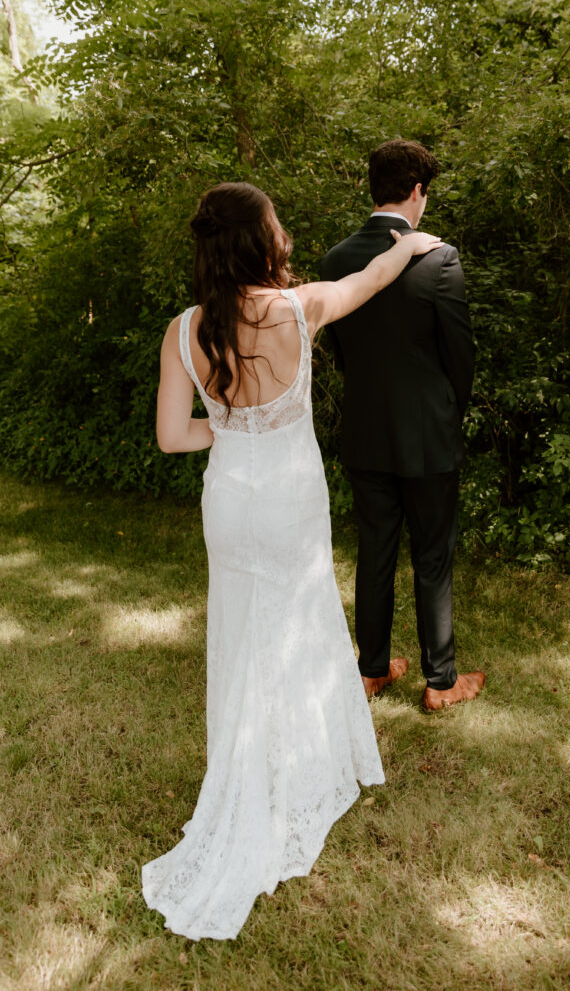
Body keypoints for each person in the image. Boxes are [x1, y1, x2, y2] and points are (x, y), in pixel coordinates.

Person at [142, 180, 443, 940]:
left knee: (241, 635)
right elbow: (366, 280)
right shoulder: (294, 308)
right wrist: (407, 240)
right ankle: (294, 773)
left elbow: (174, 437)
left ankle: (245, 769)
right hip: (288, 498)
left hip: (229, 502)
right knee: (300, 624)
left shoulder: (182, 331)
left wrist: (233, 428)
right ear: (262, 241)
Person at [319, 139, 485, 712]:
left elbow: (339, 350)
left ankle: (370, 670)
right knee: (432, 554)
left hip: (365, 430)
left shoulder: (334, 260)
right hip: (428, 433)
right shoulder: (438, 257)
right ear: (417, 191)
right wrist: (448, 412)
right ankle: (441, 682)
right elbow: (459, 356)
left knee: (375, 549)